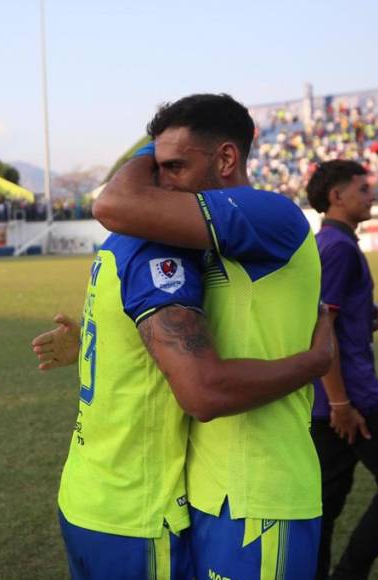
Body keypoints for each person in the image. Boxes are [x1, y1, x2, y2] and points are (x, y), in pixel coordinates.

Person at [92, 93, 324, 579]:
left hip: (263, 491)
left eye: (175, 166)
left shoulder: (271, 215)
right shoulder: (204, 240)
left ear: (226, 158)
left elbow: (115, 203)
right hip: (205, 489)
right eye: (158, 167)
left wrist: (317, 361)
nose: (162, 180)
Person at [32, 208, 334, 579]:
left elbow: (132, 344)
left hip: (85, 494)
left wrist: (97, 344)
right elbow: (204, 390)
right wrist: (315, 361)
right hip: (135, 512)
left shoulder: (115, 246)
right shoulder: (157, 256)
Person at [304, 160, 378, 580]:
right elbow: (323, 326)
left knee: (325, 506)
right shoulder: (337, 249)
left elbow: (339, 311)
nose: (371, 195)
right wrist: (341, 403)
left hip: (325, 402)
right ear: (336, 197)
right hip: (352, 398)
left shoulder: (328, 244)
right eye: (362, 188)